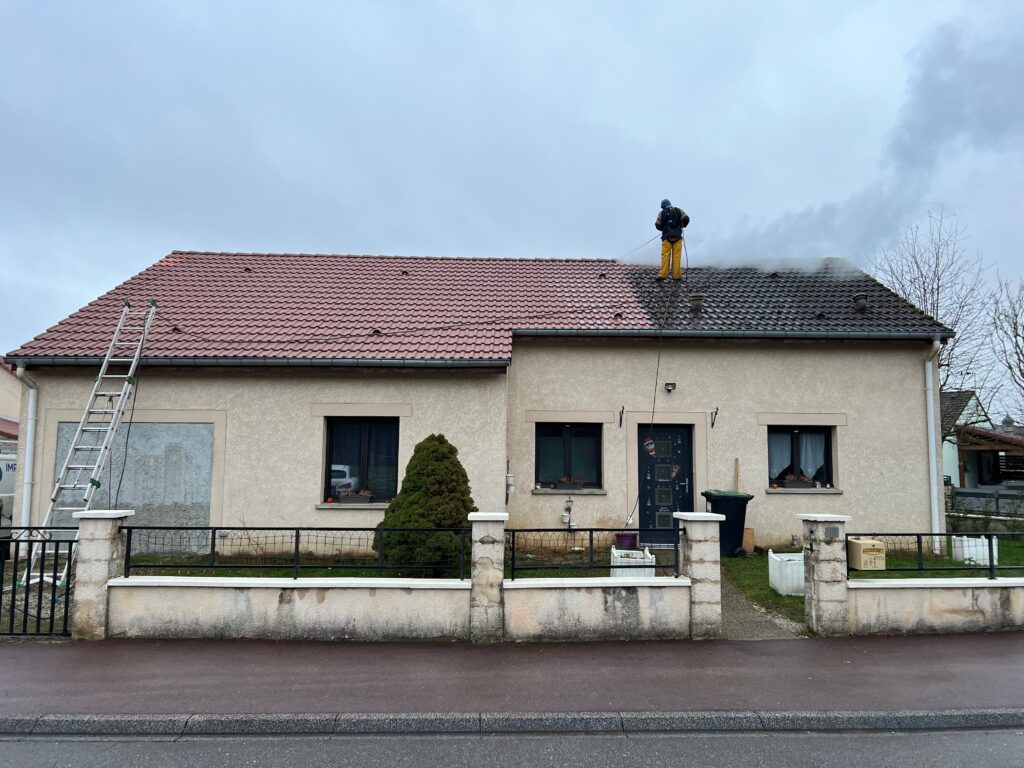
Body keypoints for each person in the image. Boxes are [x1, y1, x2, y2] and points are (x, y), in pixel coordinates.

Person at [655, 199, 690, 280]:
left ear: (663, 206)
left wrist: (664, 229)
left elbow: (657, 225)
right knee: (676, 256)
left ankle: (663, 275)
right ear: (670, 204)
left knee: (665, 256)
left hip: (666, 238)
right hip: (677, 238)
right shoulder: (678, 210)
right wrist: (682, 225)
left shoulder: (661, 213)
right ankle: (677, 276)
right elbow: (686, 219)